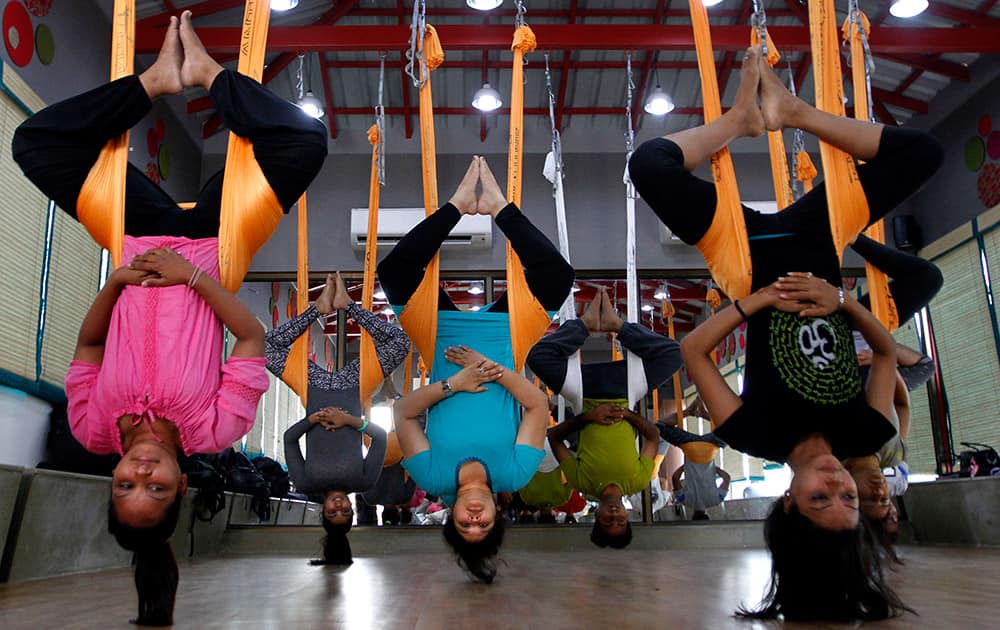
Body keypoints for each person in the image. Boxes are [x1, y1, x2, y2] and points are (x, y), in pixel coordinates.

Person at [12, 13, 326, 625]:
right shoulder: (216, 430)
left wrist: (119, 280)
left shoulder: (92, 426)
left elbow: (88, 345)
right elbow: (253, 336)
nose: (140, 473)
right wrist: (193, 278)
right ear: (182, 486)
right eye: (155, 489)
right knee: (303, 143)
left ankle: (154, 82)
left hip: (137, 236)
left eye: (126, 485)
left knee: (35, 143)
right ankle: (210, 75)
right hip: (214, 242)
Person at [628, 47, 940, 621]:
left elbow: (693, 349)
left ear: (790, 505)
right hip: (818, 248)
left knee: (649, 166)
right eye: (846, 497)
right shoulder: (868, 430)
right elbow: (889, 354)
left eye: (821, 498)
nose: (837, 483)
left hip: (744, 259)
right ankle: (793, 111)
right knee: (923, 152)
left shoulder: (753, 435)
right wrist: (842, 301)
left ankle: (738, 122)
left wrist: (757, 301)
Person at [384, 157, 572, 583]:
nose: (473, 518)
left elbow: (404, 413)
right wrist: (488, 369)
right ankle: (499, 208)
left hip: (440, 339)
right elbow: (537, 406)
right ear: (496, 515)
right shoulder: (515, 472)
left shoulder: (431, 476)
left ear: (449, 518)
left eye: (464, 526)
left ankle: (458, 205)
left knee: (393, 272)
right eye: (482, 525)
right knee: (557, 277)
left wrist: (455, 384)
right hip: (509, 336)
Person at [265, 271, 409, 564]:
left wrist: (313, 419)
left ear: (324, 511)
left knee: (265, 348)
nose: (339, 505)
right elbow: (380, 437)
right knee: (400, 343)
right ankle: (348, 304)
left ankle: (317, 310)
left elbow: (290, 440)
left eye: (333, 512)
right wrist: (351, 422)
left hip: (313, 388)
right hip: (353, 389)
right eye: (345, 511)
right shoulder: (364, 482)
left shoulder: (306, 483)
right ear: (354, 511)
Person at [528, 287, 681, 548]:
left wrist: (588, 417)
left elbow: (554, 438)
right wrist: (628, 415)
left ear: (596, 516)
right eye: (620, 521)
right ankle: (617, 325)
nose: (614, 517)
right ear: (626, 515)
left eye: (607, 522)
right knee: (674, 355)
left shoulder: (581, 482)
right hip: (627, 388)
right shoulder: (638, 480)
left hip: (583, 392)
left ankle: (585, 325)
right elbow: (654, 436)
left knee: (537, 358)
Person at [658, 423, 730, 520]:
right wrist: (685, 466)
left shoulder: (717, 500)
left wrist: (714, 468)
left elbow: (726, 477)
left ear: (708, 516)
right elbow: (675, 477)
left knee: (731, 429)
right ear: (692, 516)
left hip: (710, 448)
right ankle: (691, 412)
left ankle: (704, 414)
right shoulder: (684, 500)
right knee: (659, 427)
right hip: (690, 448)